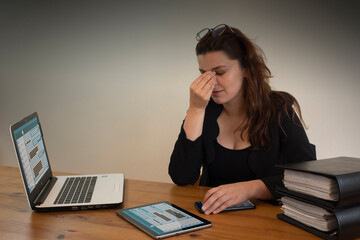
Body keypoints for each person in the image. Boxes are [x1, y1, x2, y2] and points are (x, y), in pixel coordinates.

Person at [168, 24, 316, 215]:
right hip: (214, 222)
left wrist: (250, 188)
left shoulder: (279, 110)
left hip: (266, 225)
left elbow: (309, 180)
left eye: (220, 73)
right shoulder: (204, 110)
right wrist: (195, 110)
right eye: (203, 74)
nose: (211, 83)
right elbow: (181, 176)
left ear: (246, 68)